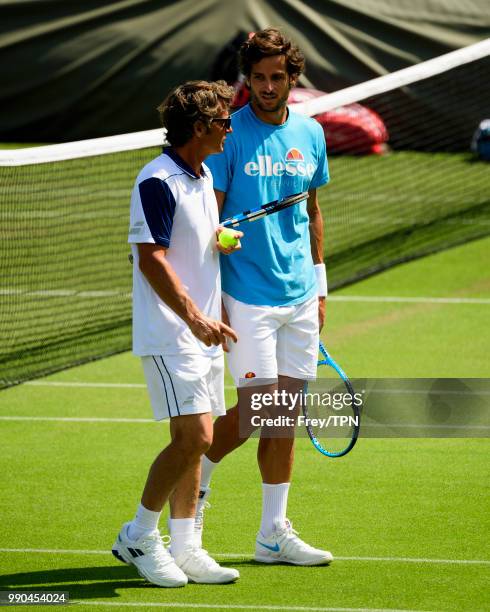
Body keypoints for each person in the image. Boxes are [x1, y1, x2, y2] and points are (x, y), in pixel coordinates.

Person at [200, 28, 333, 566]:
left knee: (284, 418)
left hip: (301, 293)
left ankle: (273, 534)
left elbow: (313, 210)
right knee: (259, 410)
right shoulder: (229, 137)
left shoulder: (311, 132)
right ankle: (194, 489)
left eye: (277, 77)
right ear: (246, 80)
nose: (268, 86)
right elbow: (208, 215)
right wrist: (219, 240)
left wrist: (320, 287)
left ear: (292, 76)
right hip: (248, 295)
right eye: (258, 78)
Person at [112, 80, 243, 587]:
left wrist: (219, 240)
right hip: (174, 332)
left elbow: (187, 242)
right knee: (198, 437)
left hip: (204, 330)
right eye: (223, 122)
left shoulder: (202, 174)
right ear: (199, 128)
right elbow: (151, 258)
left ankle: (186, 546)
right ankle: (140, 534)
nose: (230, 129)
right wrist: (192, 317)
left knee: (190, 443)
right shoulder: (157, 181)